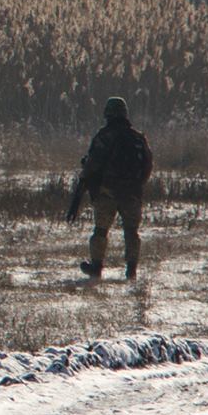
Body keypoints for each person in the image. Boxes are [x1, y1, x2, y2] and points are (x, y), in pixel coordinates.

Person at [69, 97, 153, 280]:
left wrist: (85, 186)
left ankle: (96, 267)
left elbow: (92, 165)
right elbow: (147, 165)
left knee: (101, 230)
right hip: (132, 193)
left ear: (108, 113)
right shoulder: (138, 138)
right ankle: (131, 270)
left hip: (107, 192)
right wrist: (137, 185)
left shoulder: (104, 136)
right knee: (131, 232)